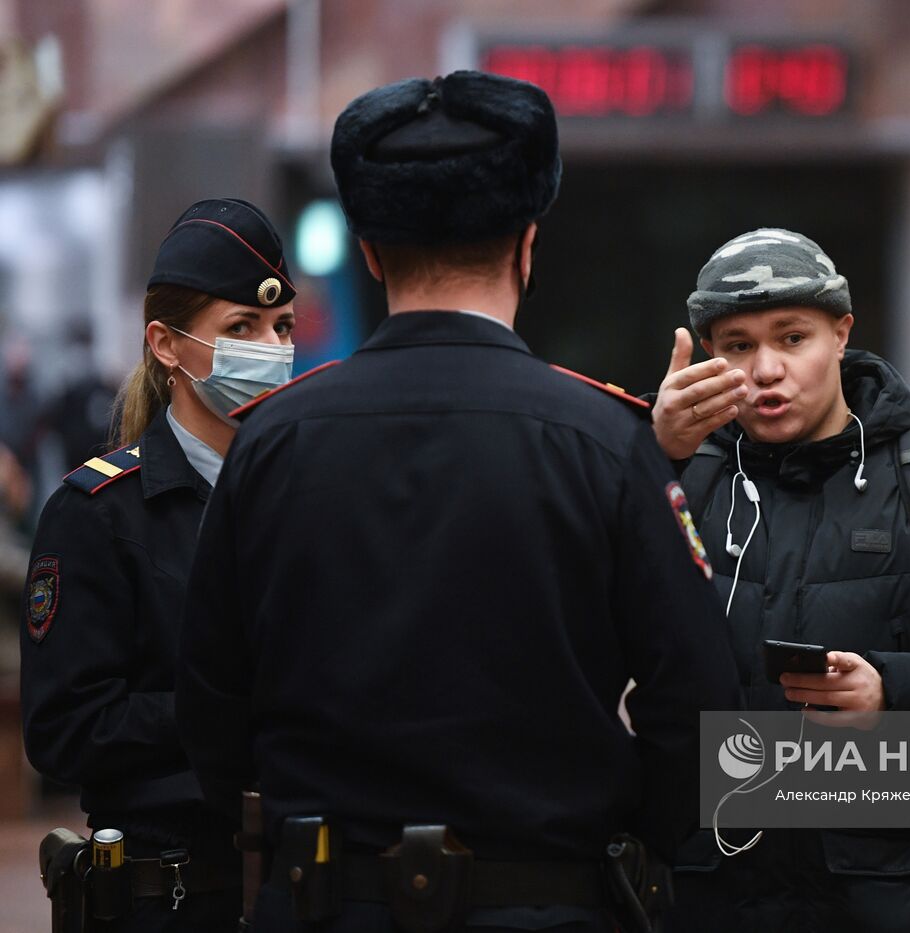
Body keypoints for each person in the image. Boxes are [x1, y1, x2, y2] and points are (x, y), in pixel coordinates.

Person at [175, 71, 743, 933]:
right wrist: (625, 844)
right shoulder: (603, 439)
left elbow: (210, 706)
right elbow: (698, 705)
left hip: (329, 903)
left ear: (367, 249)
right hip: (549, 901)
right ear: (527, 242)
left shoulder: (271, 442)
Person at [649, 227, 910, 932]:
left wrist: (892, 688)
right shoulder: (682, 485)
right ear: (709, 354)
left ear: (842, 333)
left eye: (792, 336)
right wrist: (651, 463)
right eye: (738, 344)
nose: (766, 368)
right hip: (717, 898)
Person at [21, 197, 299, 931]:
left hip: (301, 887)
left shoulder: (309, 495)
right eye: (240, 328)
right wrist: (222, 704)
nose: (270, 348)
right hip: (168, 894)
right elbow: (64, 726)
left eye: (281, 327)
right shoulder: (99, 511)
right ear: (166, 345)